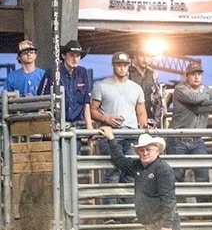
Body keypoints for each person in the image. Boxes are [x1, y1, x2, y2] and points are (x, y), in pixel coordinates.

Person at [90, 51, 148, 203]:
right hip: (111, 134)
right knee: (113, 172)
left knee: (131, 173)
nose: (122, 68)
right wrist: (106, 118)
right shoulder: (101, 86)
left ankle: (127, 211)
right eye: (119, 65)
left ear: (129, 66)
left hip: (131, 133)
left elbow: (141, 111)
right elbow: (93, 110)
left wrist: (143, 125)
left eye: (124, 65)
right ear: (113, 66)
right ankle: (111, 214)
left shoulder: (136, 88)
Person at [38, 39, 94, 151]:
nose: (75, 58)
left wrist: (89, 127)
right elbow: (41, 101)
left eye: (78, 55)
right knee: (55, 162)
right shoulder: (52, 72)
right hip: (55, 127)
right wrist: (45, 126)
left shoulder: (83, 72)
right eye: (72, 55)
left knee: (73, 160)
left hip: (74, 127)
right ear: (63, 55)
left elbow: (86, 102)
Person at [168, 60, 211, 202]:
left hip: (197, 139)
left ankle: (205, 213)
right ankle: (178, 211)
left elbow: (203, 96)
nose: (197, 77)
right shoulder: (180, 89)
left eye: (199, 74)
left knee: (203, 175)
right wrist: (206, 92)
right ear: (187, 76)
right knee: (177, 176)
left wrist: (206, 92)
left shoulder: (204, 90)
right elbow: (194, 98)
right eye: (193, 74)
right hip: (179, 139)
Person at [129, 44, 164, 128]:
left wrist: (156, 122)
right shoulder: (128, 74)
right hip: (132, 120)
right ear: (135, 57)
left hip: (150, 120)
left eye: (148, 56)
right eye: (142, 56)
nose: (145, 59)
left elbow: (158, 101)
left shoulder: (153, 74)